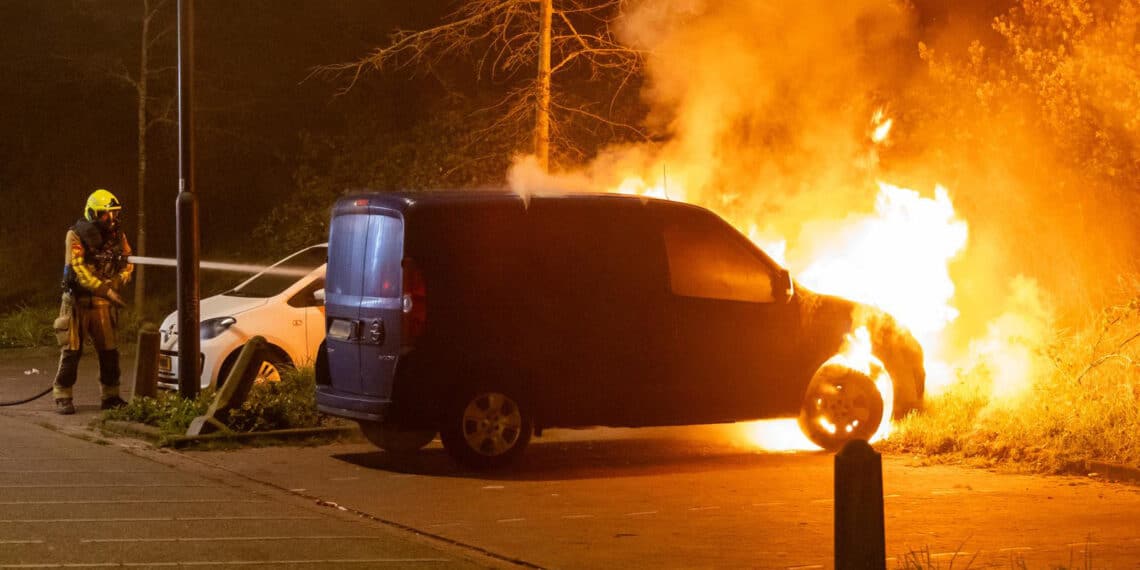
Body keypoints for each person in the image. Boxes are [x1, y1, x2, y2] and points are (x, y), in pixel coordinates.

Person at [52, 189, 134, 415]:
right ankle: (62, 395)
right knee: (72, 352)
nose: (112, 219)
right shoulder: (76, 235)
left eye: (114, 214)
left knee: (109, 352)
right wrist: (107, 291)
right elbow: (79, 271)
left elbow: (128, 261)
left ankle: (111, 396)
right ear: (93, 213)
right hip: (76, 302)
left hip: (101, 303)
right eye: (106, 214)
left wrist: (118, 281)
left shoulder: (118, 236)